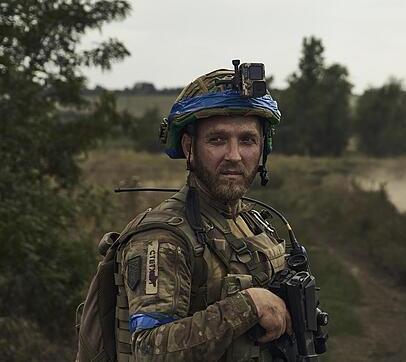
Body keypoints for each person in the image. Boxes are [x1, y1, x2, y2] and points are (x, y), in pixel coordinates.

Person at [114, 67, 291, 361]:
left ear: (263, 149)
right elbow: (149, 349)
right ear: (189, 148)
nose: (234, 155)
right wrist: (249, 305)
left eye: (247, 141)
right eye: (218, 140)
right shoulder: (163, 238)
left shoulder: (251, 221)